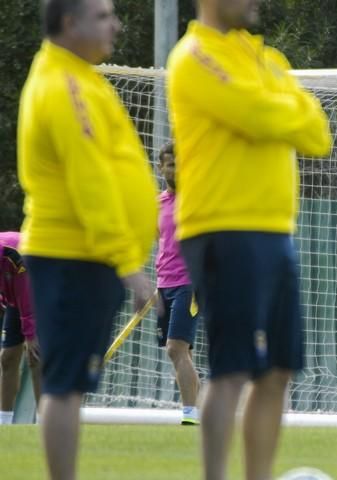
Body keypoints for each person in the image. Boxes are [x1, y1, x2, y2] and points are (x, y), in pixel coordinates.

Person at [167, 0, 332, 478]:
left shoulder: (267, 59)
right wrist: (284, 112)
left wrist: (279, 113)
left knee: (279, 369)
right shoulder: (193, 56)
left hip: (276, 230)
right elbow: (260, 115)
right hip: (221, 228)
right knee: (233, 368)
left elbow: (318, 133)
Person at [17, 0, 158, 478]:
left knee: (70, 386)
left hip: (84, 258)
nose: (115, 24)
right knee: (63, 386)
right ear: (69, 23)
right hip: (72, 257)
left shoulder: (79, 78)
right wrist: (126, 264)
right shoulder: (63, 86)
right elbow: (89, 181)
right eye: (103, 15)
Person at [155, 141, 200, 425]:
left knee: (176, 348)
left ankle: (190, 417)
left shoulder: (198, 198)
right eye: (172, 164)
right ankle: (204, 408)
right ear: (161, 167)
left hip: (190, 284)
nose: (177, 169)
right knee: (180, 355)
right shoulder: (158, 203)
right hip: (163, 285)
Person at [0, 231, 40, 424]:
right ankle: (4, 424)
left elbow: (27, 295)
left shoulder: (12, 254)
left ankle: (43, 423)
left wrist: (30, 335)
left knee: (35, 356)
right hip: (16, 300)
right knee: (7, 359)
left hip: (39, 294)